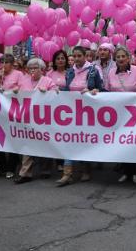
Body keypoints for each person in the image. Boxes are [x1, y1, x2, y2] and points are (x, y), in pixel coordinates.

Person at [57, 46, 104, 186]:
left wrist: (94, 90)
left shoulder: (93, 71)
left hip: (88, 112)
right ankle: (67, 173)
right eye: (74, 56)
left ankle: (86, 169)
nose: (76, 59)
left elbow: (101, 89)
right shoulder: (70, 71)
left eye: (79, 56)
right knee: (69, 140)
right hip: (71, 112)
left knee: (85, 140)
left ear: (85, 56)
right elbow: (67, 89)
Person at [14, 58, 59, 184]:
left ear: (41, 69)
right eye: (30, 68)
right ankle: (25, 173)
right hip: (28, 117)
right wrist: (15, 92)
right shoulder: (24, 80)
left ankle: (45, 169)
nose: (32, 70)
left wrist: (48, 92)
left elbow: (57, 93)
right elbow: (17, 92)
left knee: (44, 143)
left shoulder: (48, 80)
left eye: (35, 68)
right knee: (27, 144)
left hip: (44, 118)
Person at [108, 47, 136, 184]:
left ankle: (135, 172)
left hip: (134, 113)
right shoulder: (111, 72)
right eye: (118, 57)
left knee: (133, 142)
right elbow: (107, 91)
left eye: (123, 56)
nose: (120, 59)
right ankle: (125, 171)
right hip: (117, 113)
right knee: (121, 142)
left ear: (128, 57)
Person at [0, 54, 24, 178]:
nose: (3, 66)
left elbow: (22, 88)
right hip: (0, 111)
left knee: (12, 139)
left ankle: (11, 167)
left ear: (11, 64)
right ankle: (2, 168)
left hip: (13, 110)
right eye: (2, 63)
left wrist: (15, 89)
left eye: (5, 63)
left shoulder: (18, 74)